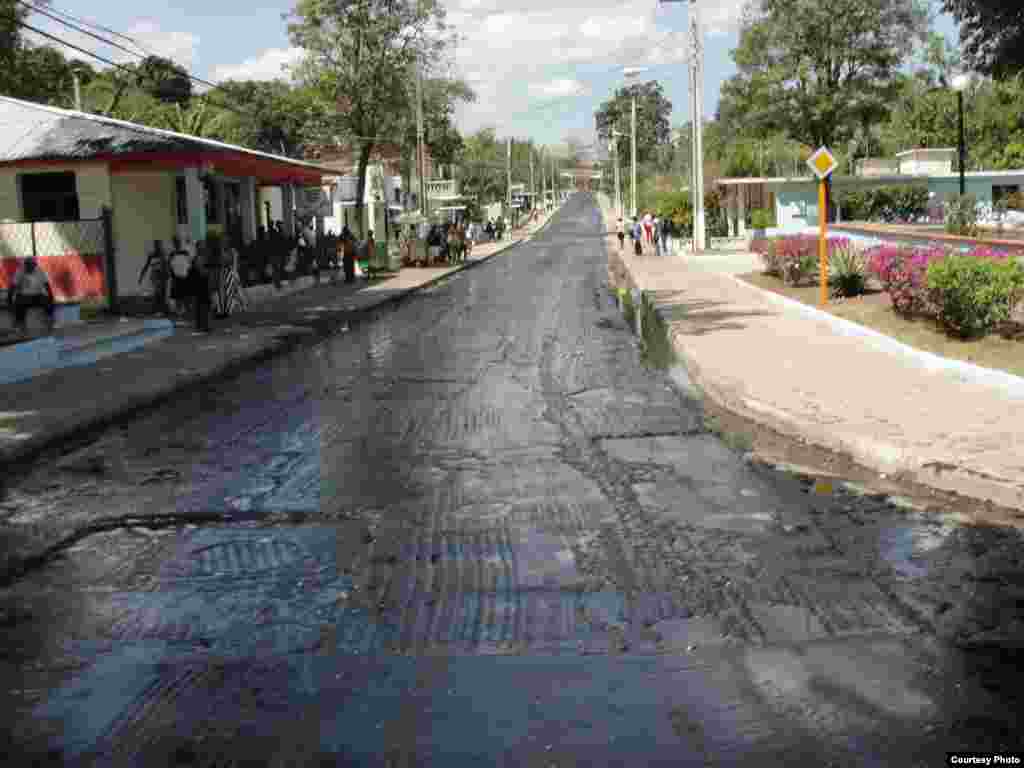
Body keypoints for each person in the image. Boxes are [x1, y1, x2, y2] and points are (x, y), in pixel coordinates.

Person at [8, 257, 55, 335]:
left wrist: (51, 296)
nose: (29, 267)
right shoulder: (20, 271)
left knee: (48, 302)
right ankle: (20, 324)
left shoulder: (40, 271)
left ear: (34, 265)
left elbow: (46, 284)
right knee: (19, 305)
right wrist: (9, 298)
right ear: (25, 265)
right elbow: (13, 286)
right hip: (23, 295)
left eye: (31, 265)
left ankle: (49, 320)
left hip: (37, 295)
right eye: (27, 265)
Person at [138, 239, 169, 315]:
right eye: (156, 244)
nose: (158, 246)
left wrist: (167, 274)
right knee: (156, 293)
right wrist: (141, 277)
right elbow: (146, 266)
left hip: (162, 276)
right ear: (155, 246)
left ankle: (162, 310)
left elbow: (167, 266)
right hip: (155, 276)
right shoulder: (151, 255)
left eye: (159, 244)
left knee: (162, 293)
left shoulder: (163, 254)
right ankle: (156, 310)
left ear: (161, 245)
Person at [187, 241, 212, 332]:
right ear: (198, 248)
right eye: (201, 246)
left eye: (204, 246)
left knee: (204, 306)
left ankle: (203, 325)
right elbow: (202, 272)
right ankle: (202, 325)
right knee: (201, 306)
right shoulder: (198, 259)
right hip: (200, 285)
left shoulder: (203, 258)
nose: (203, 248)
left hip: (203, 285)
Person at [168, 236, 192, 316]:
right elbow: (169, 266)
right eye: (175, 242)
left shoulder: (185, 253)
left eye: (178, 241)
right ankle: (179, 312)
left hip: (185, 277)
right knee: (177, 296)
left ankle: (186, 311)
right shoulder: (172, 254)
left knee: (185, 296)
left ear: (180, 242)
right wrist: (172, 275)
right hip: (176, 278)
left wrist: (188, 275)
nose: (177, 243)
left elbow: (189, 264)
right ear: (173, 243)